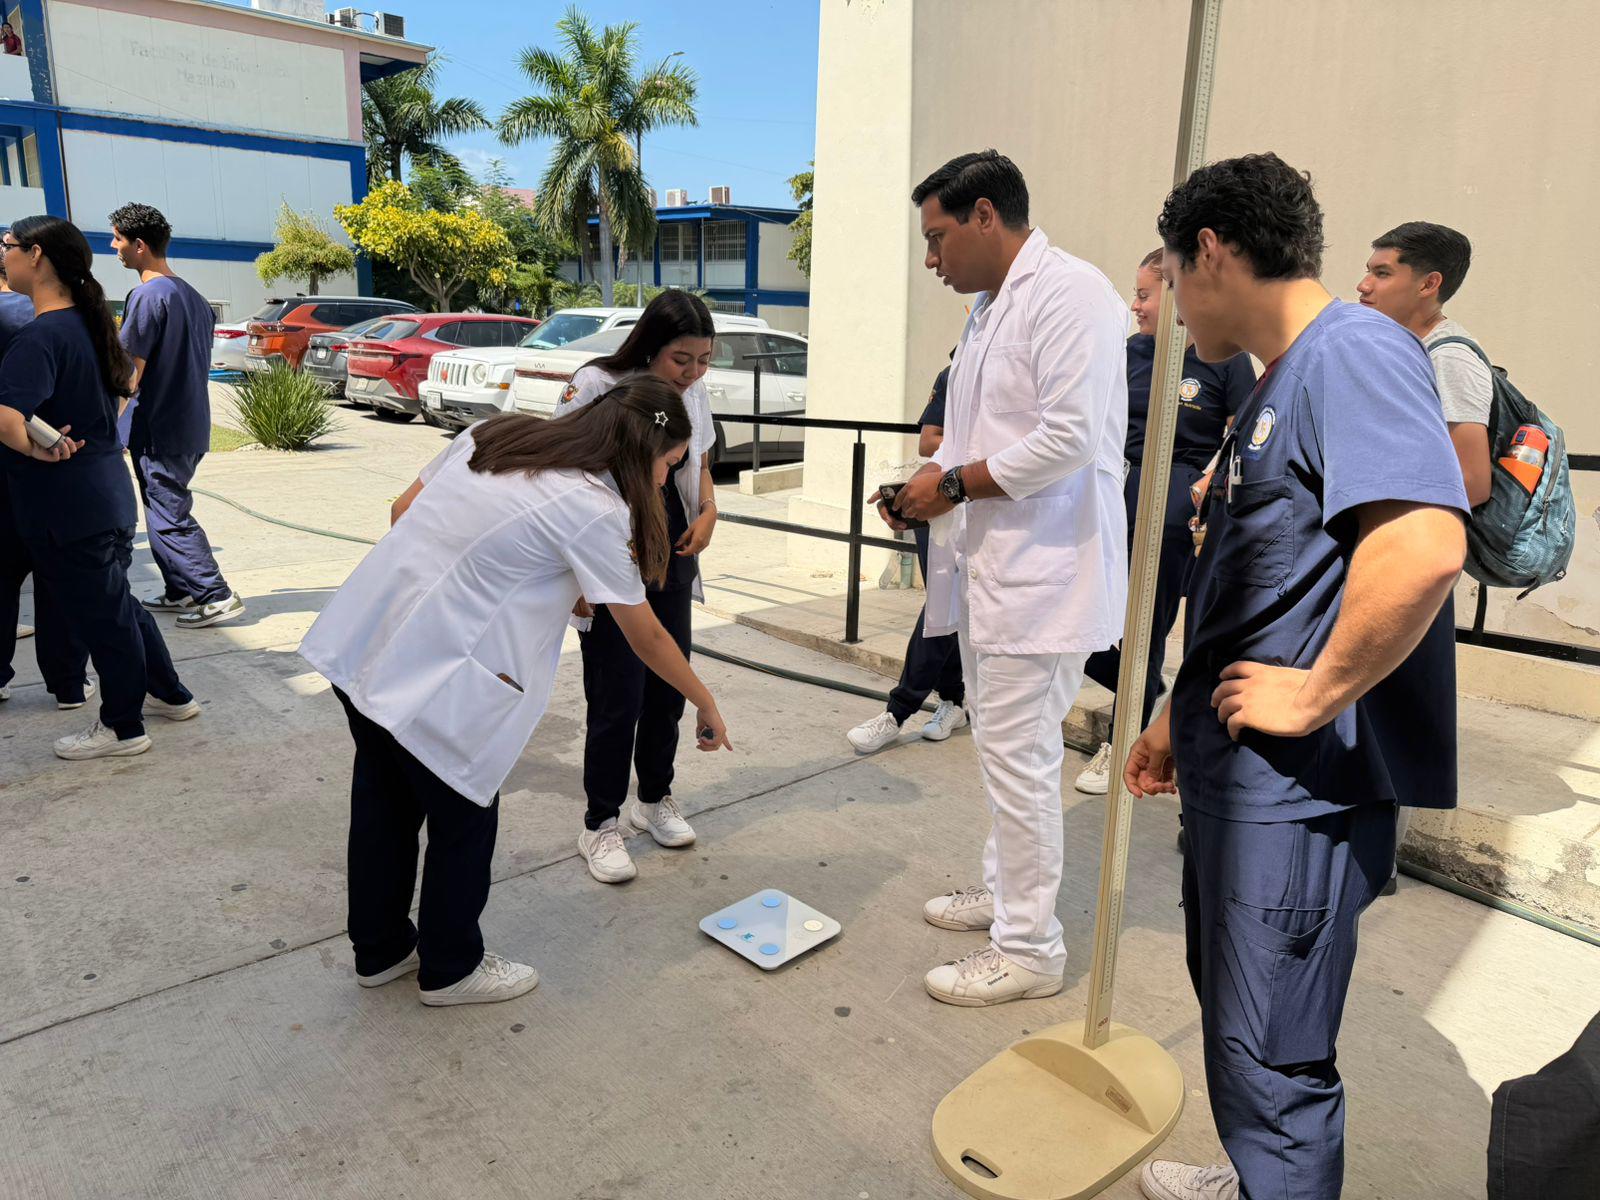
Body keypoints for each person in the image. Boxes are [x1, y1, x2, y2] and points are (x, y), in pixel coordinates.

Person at [1124, 154, 1469, 1200]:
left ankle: (1273, 1178)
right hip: (1243, 775)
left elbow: (1420, 546)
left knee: (1270, 1060)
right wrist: (1169, 719)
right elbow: (1259, 579)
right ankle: (1254, 1178)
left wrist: (1315, 692)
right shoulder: (1284, 376)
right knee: (1241, 1029)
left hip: (1295, 793)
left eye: (1175, 277)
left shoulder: (1351, 353)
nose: (1174, 305)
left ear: (1212, 253)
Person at [299, 379, 732, 1006]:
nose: (667, 484)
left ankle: (381, 949)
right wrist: (705, 699)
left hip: (366, 639)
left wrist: (527, 579)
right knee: (463, 816)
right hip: (441, 679)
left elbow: (404, 513)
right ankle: (451, 968)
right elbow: (646, 637)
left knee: (383, 801)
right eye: (669, 465)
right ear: (642, 451)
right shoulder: (595, 508)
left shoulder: (496, 435)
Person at [888, 150, 1128, 1006]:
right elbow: (969, 431)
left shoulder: (1072, 295)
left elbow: (1067, 439)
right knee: (1000, 754)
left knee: (1021, 762)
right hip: (994, 568)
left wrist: (949, 484)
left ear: (986, 215)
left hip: (1048, 572)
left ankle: (1030, 950)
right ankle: (1004, 897)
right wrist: (921, 490)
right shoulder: (989, 311)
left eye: (938, 236)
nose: (932, 259)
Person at [0, 215, 200, 760]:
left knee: (103, 617)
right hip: (105, 490)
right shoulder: (90, 327)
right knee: (118, 604)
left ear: (36, 255)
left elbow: (5, 417)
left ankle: (123, 726)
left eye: (8, 245)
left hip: (67, 504)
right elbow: (116, 398)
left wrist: (41, 446)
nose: (3, 254)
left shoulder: (41, 336)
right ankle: (172, 693)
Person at [554, 291, 721, 884]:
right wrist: (575, 575)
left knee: (666, 684)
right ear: (649, 346)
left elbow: (697, 458)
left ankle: (655, 797)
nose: (693, 372)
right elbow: (563, 469)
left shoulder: (692, 393)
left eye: (704, 359)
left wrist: (708, 510)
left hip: (667, 541)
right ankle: (600, 822)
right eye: (682, 359)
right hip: (603, 543)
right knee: (615, 691)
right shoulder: (598, 384)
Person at [1074, 249, 1255, 795]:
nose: (1135, 306)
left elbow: (1240, 434)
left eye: (1145, 294)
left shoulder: (1222, 359)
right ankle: (1145, 694)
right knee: (1089, 619)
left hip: (1174, 510)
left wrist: (1203, 495)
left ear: (1174, 294)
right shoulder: (1125, 353)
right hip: (1109, 500)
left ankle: (1123, 733)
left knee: (1145, 624)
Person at [1356, 220, 1490, 896]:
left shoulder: (1450, 359)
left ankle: (1372, 864)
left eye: (1382, 272)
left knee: (1393, 715)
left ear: (1428, 283)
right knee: (1368, 707)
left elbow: (1471, 478)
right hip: (1385, 550)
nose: (1364, 282)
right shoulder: (1403, 349)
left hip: (1412, 557)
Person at [110, 202, 243, 629]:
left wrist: (107, 422)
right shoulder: (193, 296)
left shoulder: (148, 296)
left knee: (168, 514)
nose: (114, 247)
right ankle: (180, 588)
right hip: (188, 422)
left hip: (161, 426)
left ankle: (214, 594)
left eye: (118, 239)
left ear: (140, 245)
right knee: (160, 507)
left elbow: (130, 374)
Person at [846, 362, 967, 752]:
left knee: (945, 610)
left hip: (997, 512)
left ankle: (898, 712)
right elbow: (930, 442)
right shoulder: (958, 369)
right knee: (943, 612)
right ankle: (954, 700)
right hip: (948, 503)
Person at [0, 265, 92, 708]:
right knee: (56, 580)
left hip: (19, 463)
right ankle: (69, 683)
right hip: (49, 463)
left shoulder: (37, 321)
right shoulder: (38, 317)